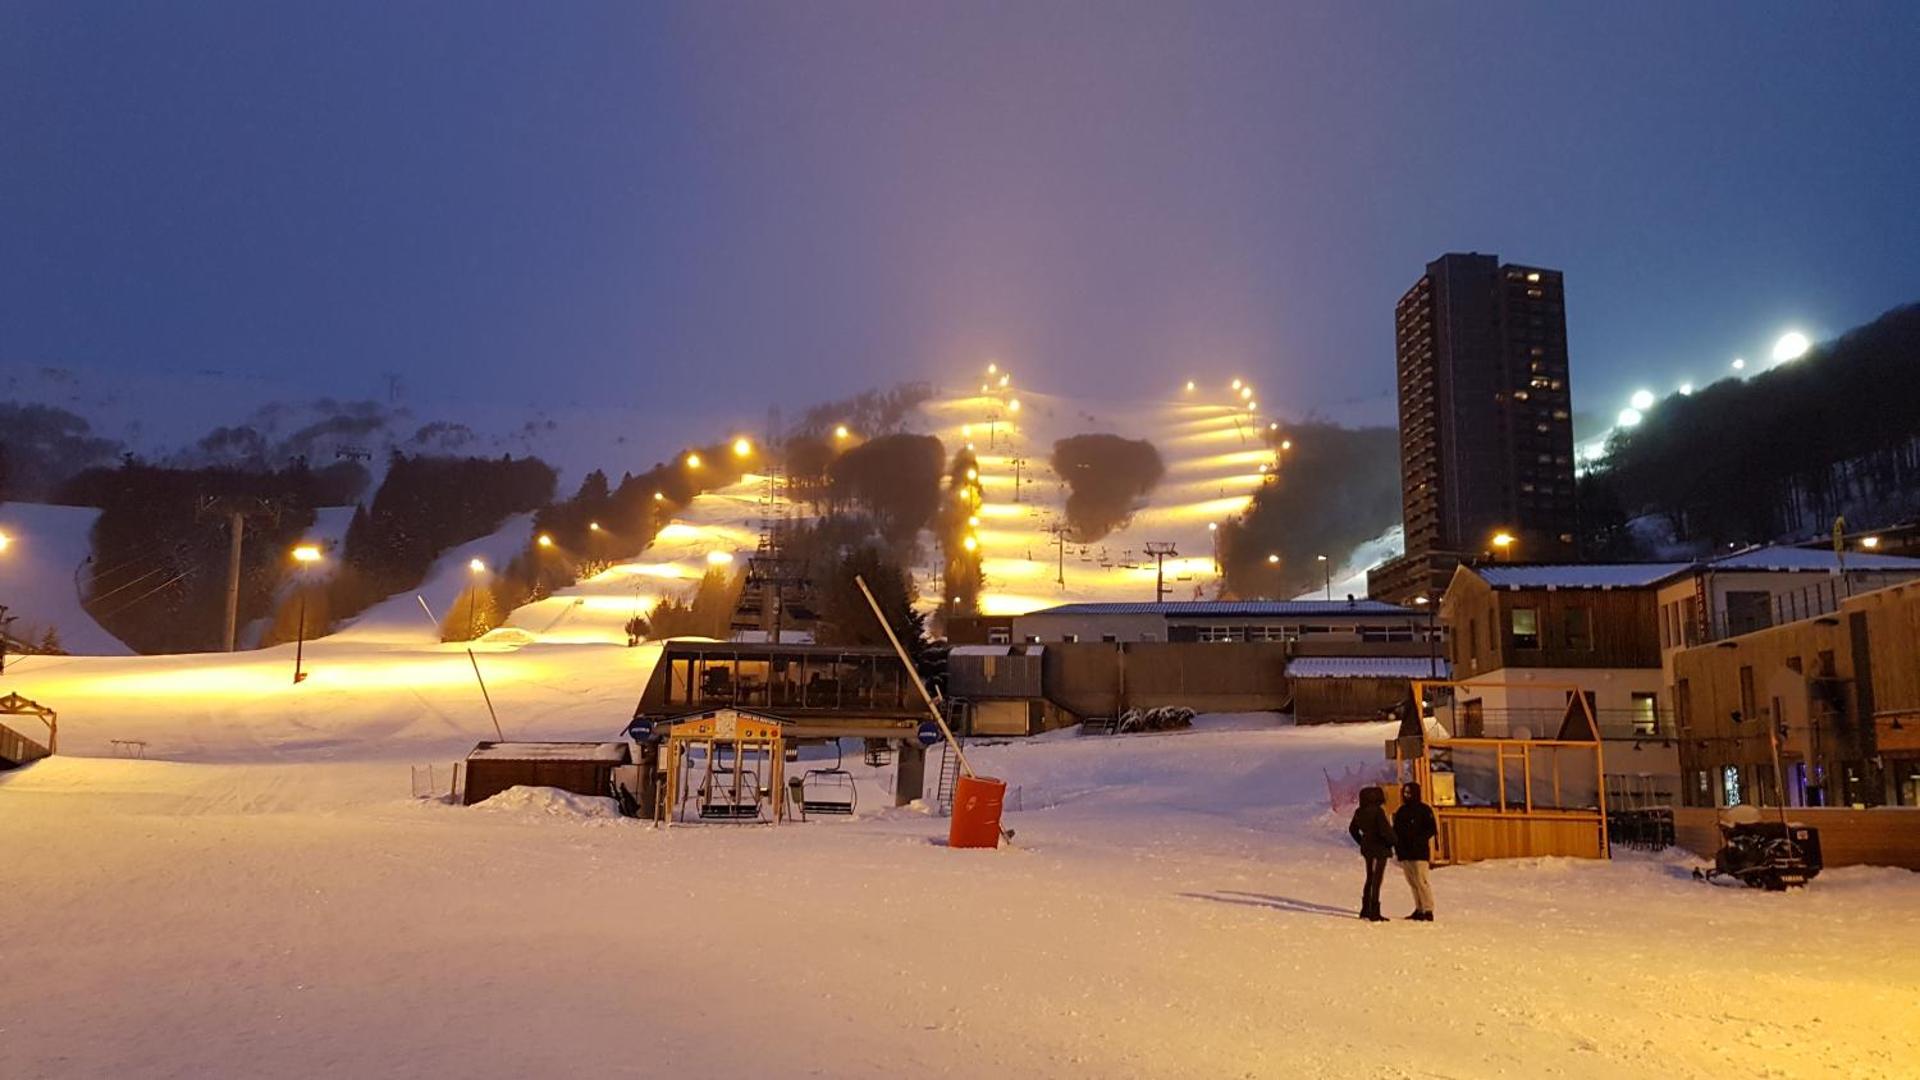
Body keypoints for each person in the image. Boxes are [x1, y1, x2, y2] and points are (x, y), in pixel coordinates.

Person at [1346, 785, 1396, 922]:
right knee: (1376, 880)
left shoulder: (1359, 812)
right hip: (1379, 848)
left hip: (1367, 849)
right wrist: (1393, 841)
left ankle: (1365, 908)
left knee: (1369, 877)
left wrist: (1362, 841)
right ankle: (1374, 910)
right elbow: (1385, 830)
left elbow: (1352, 830)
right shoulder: (1378, 812)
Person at [1393, 781, 1438, 921]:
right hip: (1405, 852)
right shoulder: (1401, 811)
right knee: (1412, 881)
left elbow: (1432, 829)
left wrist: (1419, 839)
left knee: (1421, 880)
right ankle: (1419, 908)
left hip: (1419, 852)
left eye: (1409, 792)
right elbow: (1396, 831)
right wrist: (1398, 847)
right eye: (1405, 792)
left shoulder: (1425, 810)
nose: (1407, 795)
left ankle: (1428, 909)